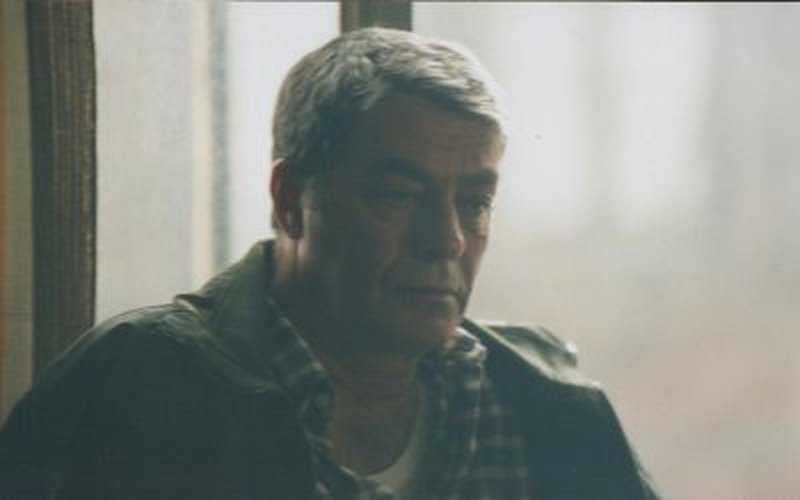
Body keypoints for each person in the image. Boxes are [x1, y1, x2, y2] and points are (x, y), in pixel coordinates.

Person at [0, 27, 658, 499]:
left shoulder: (543, 404)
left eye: (474, 202)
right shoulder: (136, 387)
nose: (447, 240)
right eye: (398, 195)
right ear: (291, 202)